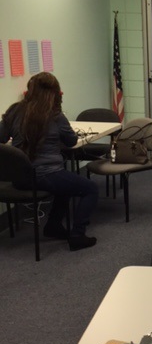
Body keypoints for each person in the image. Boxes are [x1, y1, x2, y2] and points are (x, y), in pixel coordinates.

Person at [0, 72, 98, 250]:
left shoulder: (15, 110)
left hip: (19, 179)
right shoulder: (55, 115)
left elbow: (1, 137)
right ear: (55, 93)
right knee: (90, 189)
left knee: (66, 183)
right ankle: (77, 235)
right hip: (45, 175)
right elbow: (71, 141)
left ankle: (53, 226)